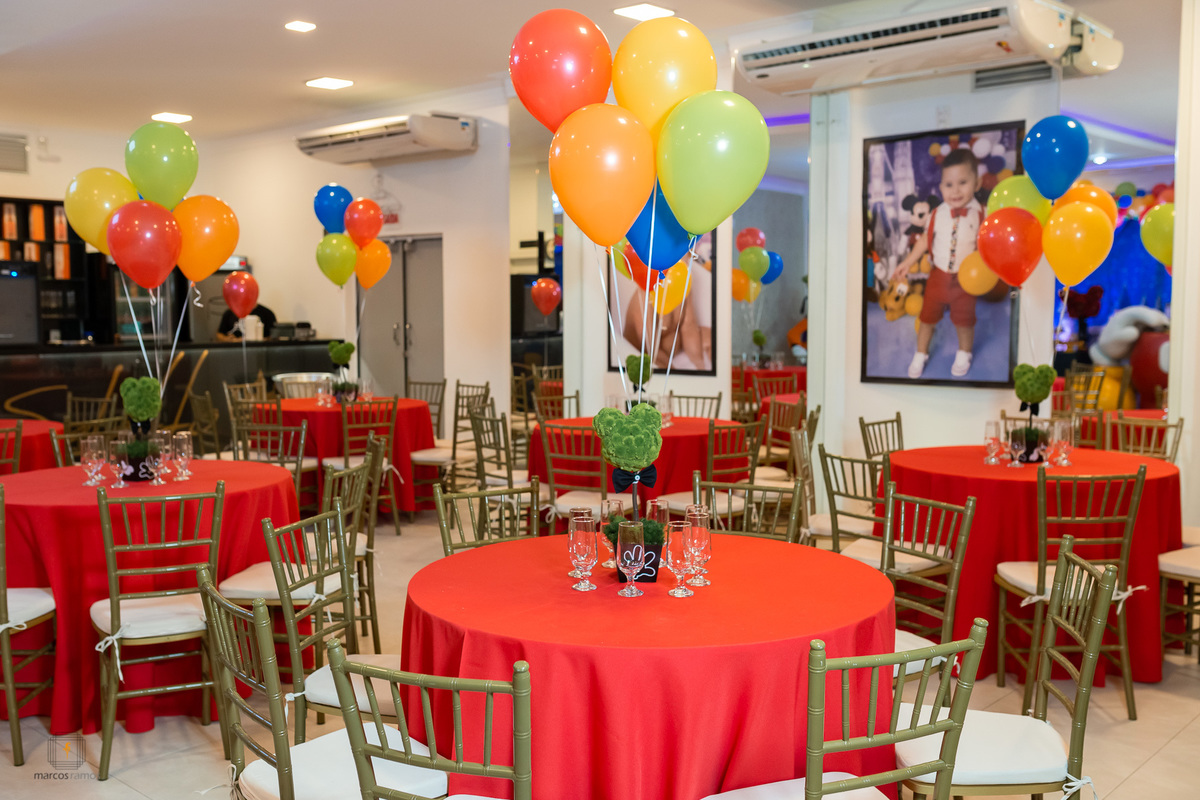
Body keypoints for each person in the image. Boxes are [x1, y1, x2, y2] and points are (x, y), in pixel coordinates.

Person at [892, 148, 984, 379]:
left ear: (977, 183)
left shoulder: (980, 214)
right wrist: (907, 262)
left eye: (963, 182)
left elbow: (987, 245)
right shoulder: (937, 214)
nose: (956, 190)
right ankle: (920, 353)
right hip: (939, 275)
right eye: (949, 185)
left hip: (965, 279)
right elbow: (924, 241)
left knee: (965, 319)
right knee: (927, 317)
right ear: (941, 187)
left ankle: (964, 352)